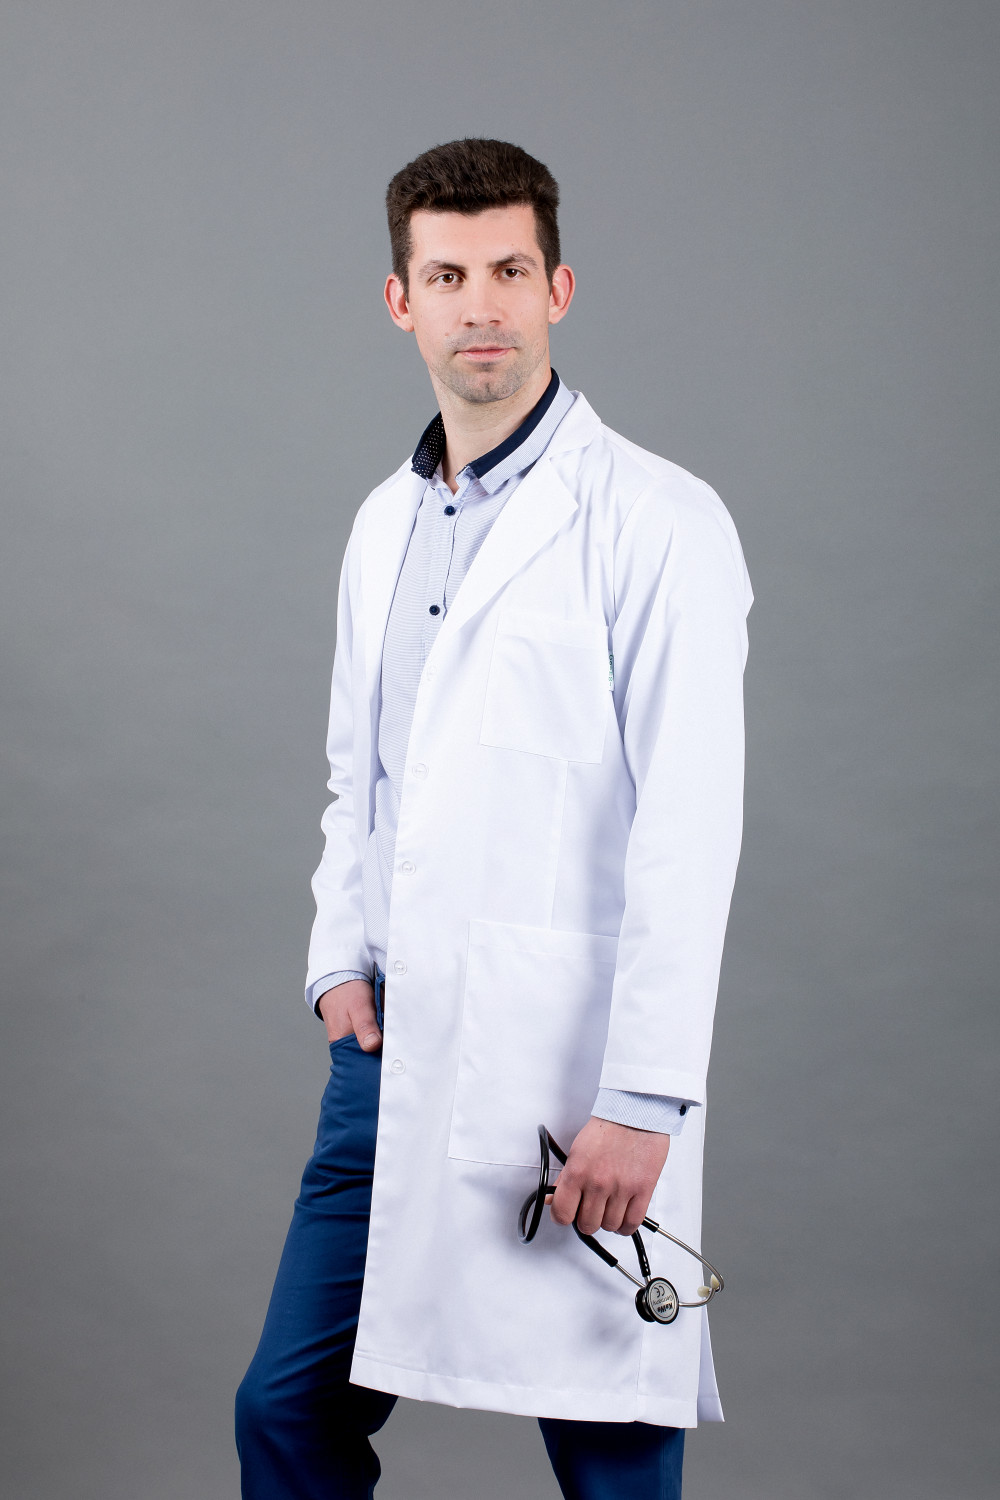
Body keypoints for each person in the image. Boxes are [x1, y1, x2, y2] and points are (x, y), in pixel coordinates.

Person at [235, 137, 753, 1500]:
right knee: (286, 1414)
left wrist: (642, 1099)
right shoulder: (384, 524)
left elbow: (690, 829)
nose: (483, 307)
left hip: (564, 1074)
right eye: (450, 276)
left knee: (608, 1449)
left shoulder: (657, 520)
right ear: (399, 300)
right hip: (387, 1061)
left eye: (510, 272)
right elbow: (360, 777)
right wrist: (336, 963)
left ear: (558, 289)